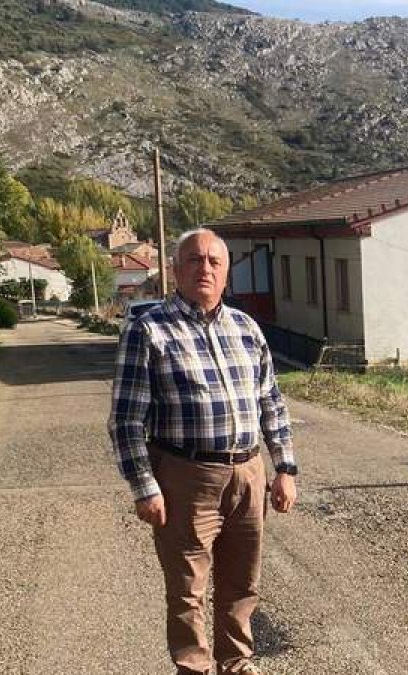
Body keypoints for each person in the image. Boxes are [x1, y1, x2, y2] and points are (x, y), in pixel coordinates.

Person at [108, 228, 298, 675]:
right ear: (175, 270)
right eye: (194, 260)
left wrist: (285, 467)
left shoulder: (247, 328)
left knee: (242, 581)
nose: (205, 268)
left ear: (226, 271)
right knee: (187, 588)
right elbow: (125, 419)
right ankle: (194, 668)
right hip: (185, 476)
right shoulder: (148, 330)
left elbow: (271, 402)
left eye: (214, 261)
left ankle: (236, 662)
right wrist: (144, 487)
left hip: (248, 473)